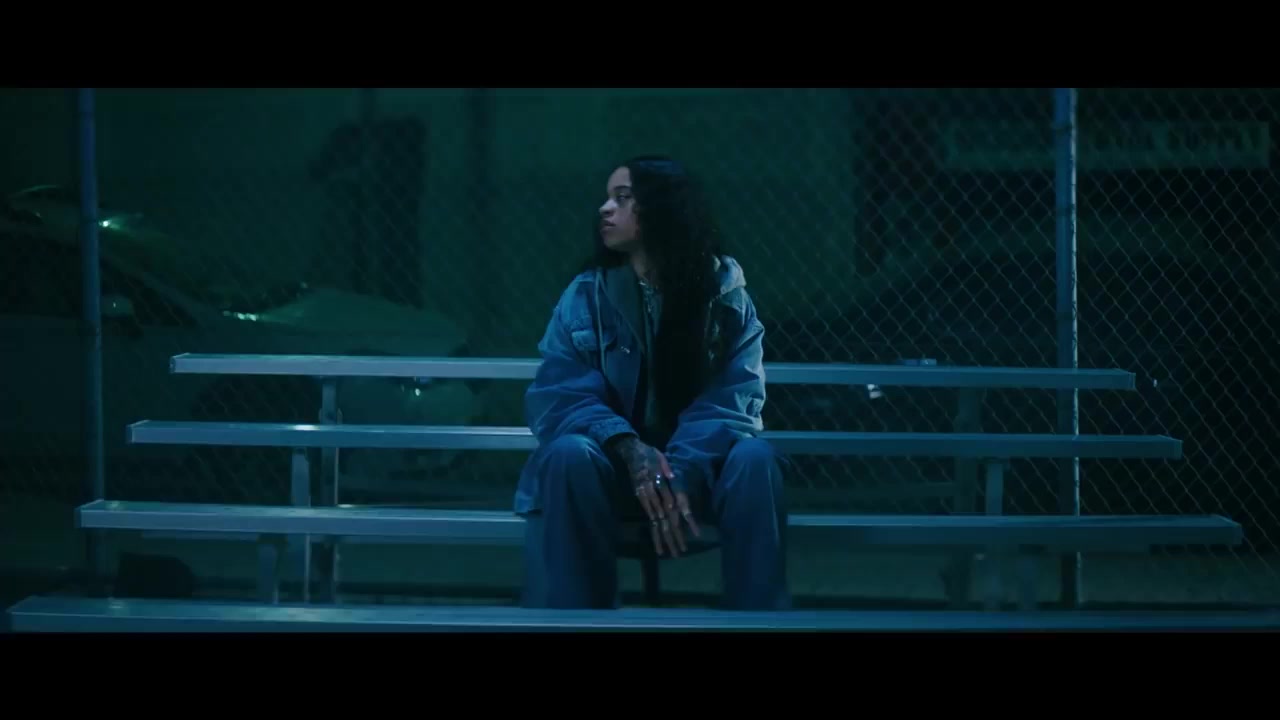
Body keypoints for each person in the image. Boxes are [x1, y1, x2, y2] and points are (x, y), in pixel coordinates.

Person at [514, 155, 789, 611]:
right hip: (609, 475)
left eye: (622, 198)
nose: (605, 209)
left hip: (698, 477)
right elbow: (559, 395)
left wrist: (675, 472)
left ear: (663, 209)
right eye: (607, 198)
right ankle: (576, 618)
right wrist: (629, 449)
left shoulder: (725, 298)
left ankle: (759, 619)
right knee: (568, 453)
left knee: (755, 458)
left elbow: (732, 402)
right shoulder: (585, 295)